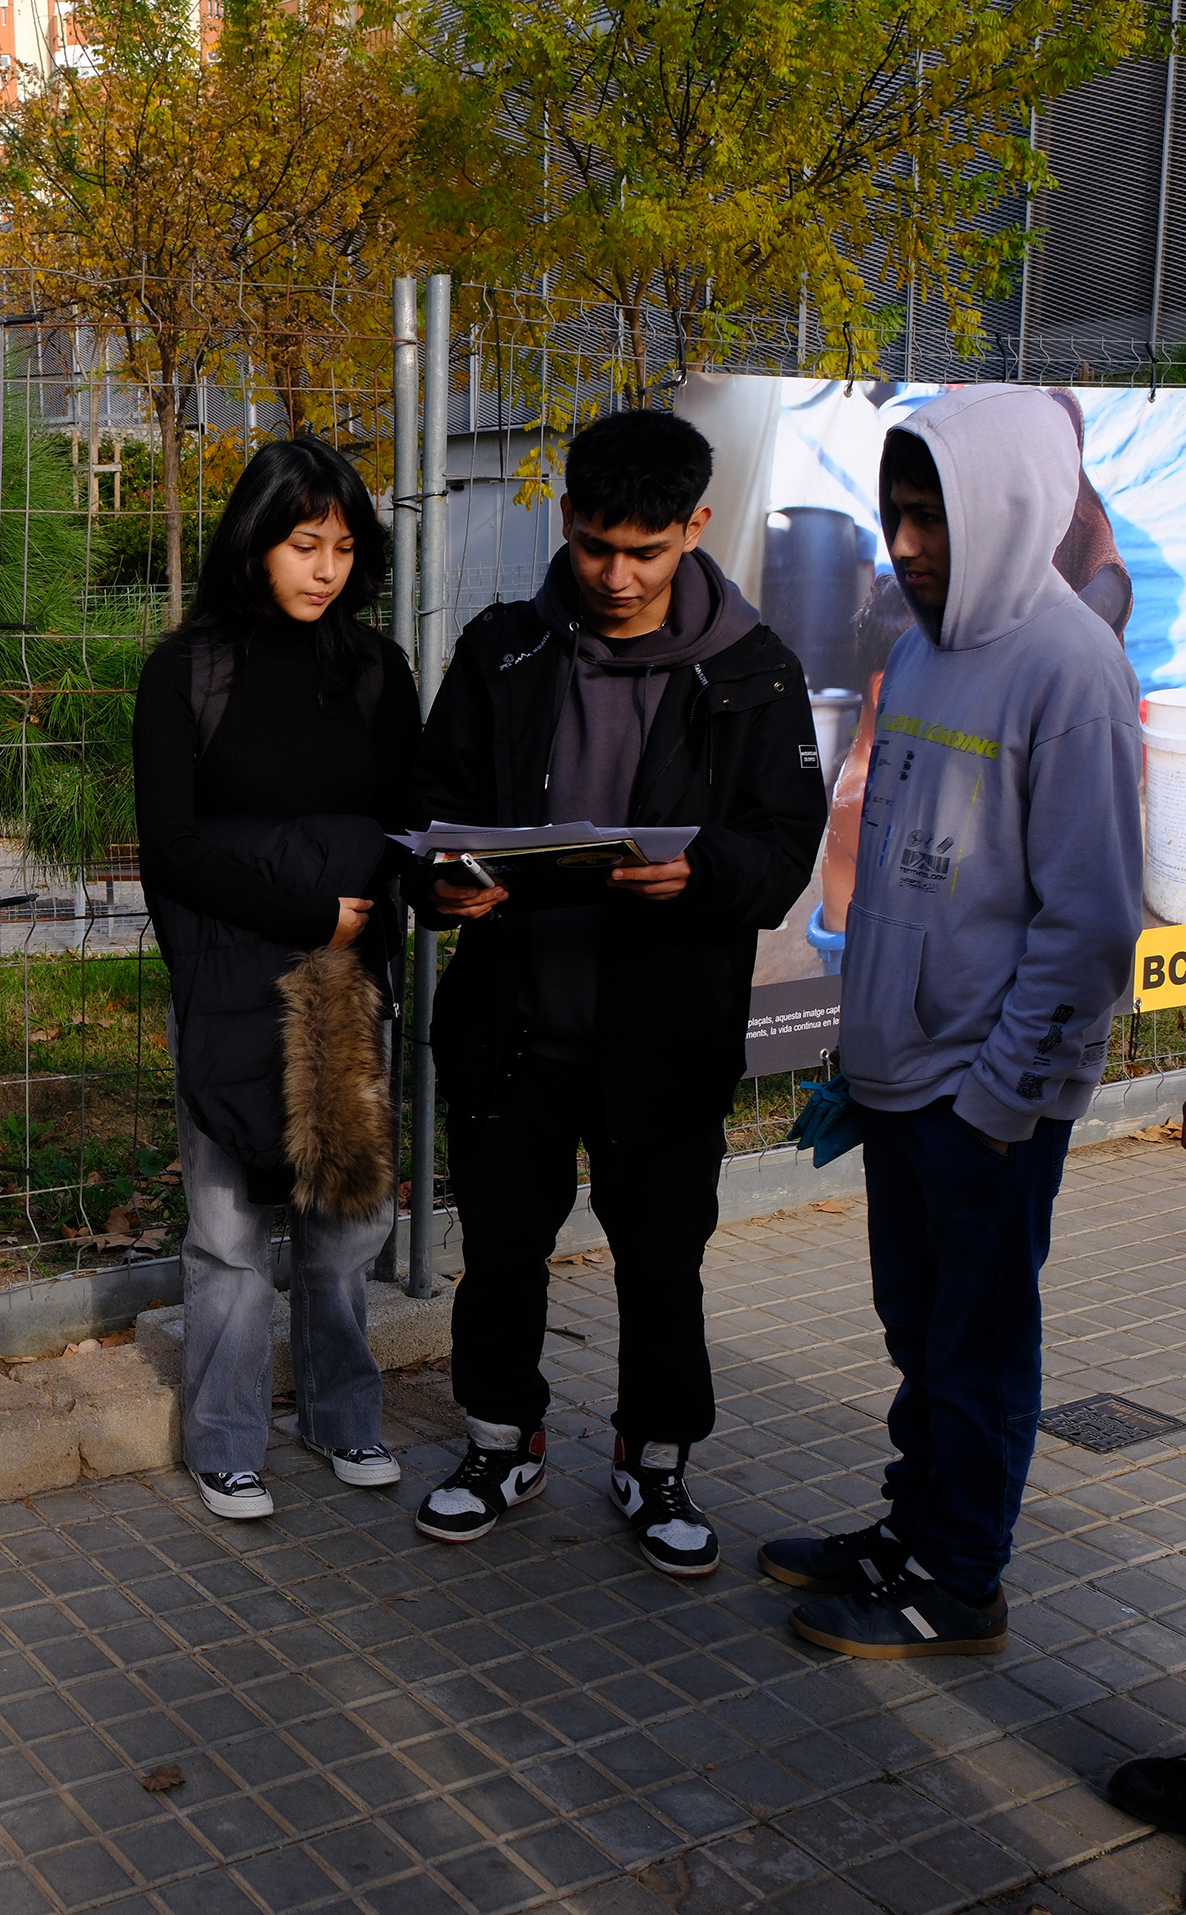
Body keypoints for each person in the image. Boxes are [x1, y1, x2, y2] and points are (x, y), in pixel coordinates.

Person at [410, 409, 827, 1576]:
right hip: (515, 1023)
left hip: (665, 1033)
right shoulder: (502, 650)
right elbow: (432, 806)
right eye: (596, 545)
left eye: (645, 550)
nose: (615, 574)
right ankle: (500, 1443)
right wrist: (442, 886)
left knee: (660, 1258)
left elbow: (783, 849)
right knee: (501, 1250)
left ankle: (656, 1460)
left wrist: (704, 874)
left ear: (695, 527)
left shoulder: (754, 671)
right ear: (567, 520)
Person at [763, 386, 1142, 1657]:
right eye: (896, 514)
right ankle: (910, 1530)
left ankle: (960, 1578)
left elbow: (1088, 923)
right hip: (902, 1076)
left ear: (1009, 506)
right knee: (919, 1334)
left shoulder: (1070, 671)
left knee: (976, 1347)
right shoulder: (923, 647)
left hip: (983, 1097)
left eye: (932, 517)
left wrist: (996, 1101)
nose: (906, 544)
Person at [131, 436, 420, 1523]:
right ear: (255, 542)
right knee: (228, 1231)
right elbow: (170, 850)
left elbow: (405, 827)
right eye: (304, 544)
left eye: (342, 547)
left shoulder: (377, 671)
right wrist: (305, 911)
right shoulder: (188, 672)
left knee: (344, 1227)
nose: (325, 569)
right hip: (227, 984)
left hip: (344, 988)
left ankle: (341, 1416)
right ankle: (225, 1440)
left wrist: (406, 902)